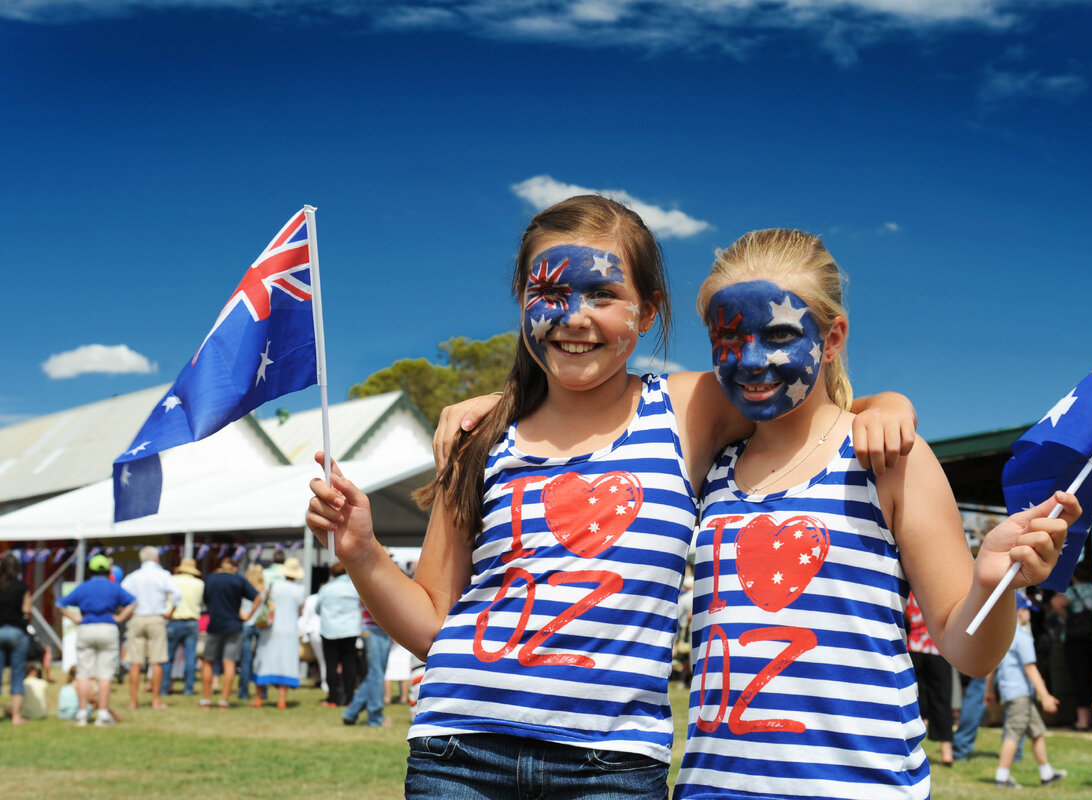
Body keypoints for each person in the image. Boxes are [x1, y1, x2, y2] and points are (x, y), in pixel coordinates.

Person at [307, 197, 925, 798]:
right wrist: (361, 552)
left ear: (649, 311)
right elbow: (433, 624)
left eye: (602, 295)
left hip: (614, 768)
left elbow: (797, 397)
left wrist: (887, 405)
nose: (575, 316)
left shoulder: (689, 410)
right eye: (550, 295)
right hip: (459, 752)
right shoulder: (478, 439)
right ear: (523, 302)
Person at [669, 228, 1076, 799]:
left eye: (780, 333)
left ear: (832, 337)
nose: (752, 359)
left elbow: (970, 652)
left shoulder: (890, 459)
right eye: (728, 338)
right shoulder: (710, 463)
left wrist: (992, 581)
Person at [990, 592, 1068, 788]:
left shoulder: (1001, 635)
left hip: (1011, 691)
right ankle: (1002, 776)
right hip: (1020, 694)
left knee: (1037, 731)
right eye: (1026, 610)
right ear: (1019, 612)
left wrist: (988, 691)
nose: (1029, 615)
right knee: (1013, 733)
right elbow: (1030, 668)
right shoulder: (1022, 637)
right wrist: (1046, 696)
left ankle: (1046, 774)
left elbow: (992, 666)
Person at [56, 554, 137, 726]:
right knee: (105, 674)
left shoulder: (83, 587)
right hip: (108, 629)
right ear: (108, 570)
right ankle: (102, 714)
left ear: (89, 570)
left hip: (86, 628)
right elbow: (133, 602)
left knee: (83, 673)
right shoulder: (113, 587)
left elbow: (60, 604)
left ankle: (82, 713)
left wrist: (75, 618)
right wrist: (121, 617)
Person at [1052, 562, 1092, 731]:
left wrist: (1069, 619)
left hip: (1076, 640)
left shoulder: (1072, 592)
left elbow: (1056, 603)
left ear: (1074, 576)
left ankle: (1083, 720)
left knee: (1080, 679)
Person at [120, 545, 181, 711]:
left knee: (135, 662)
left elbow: (120, 595)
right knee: (156, 661)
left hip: (137, 618)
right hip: (156, 618)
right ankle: (156, 701)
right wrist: (171, 612)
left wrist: (125, 613)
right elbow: (177, 594)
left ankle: (133, 702)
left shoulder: (134, 576)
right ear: (156, 559)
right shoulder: (163, 575)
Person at [199, 556, 261, 709]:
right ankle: (224, 701)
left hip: (215, 624)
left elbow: (206, 601)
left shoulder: (210, 579)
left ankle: (206, 700)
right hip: (234, 624)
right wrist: (249, 615)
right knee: (229, 662)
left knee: (208, 661)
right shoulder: (237, 579)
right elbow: (258, 596)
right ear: (234, 567)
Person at [905, 592, 954, 767]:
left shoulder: (911, 590)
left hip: (915, 646)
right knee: (942, 699)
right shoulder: (940, 589)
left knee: (909, 696)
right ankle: (946, 752)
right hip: (937, 648)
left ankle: (907, 746)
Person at [251, 557, 305, 710]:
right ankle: (282, 700)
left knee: (264, 660)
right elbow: (301, 610)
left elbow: (264, 602)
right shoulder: (300, 590)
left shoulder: (274, 585)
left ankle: (258, 698)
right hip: (289, 630)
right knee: (286, 663)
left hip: (271, 628)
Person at [314, 562, 362, 707]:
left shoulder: (326, 589)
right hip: (350, 630)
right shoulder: (355, 589)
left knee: (331, 664)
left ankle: (333, 698)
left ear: (332, 574)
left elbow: (317, 609)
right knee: (350, 664)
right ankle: (349, 698)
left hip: (330, 631)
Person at [342, 605, 392, 727]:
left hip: (381, 629)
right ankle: (375, 718)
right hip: (374, 629)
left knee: (375, 675)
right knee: (377, 675)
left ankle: (351, 712)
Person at [162, 557, 204, 696]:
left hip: (174, 621)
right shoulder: (199, 583)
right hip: (191, 622)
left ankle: (164, 687)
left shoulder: (172, 580)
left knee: (168, 657)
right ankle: (188, 688)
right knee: (190, 657)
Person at [0, 551, 33, 725]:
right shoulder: (22, 586)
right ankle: (16, 717)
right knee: (17, 674)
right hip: (17, 632)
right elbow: (27, 610)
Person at [238, 563, 266, 701]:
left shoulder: (243, 588)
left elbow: (238, 605)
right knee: (261, 660)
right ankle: (263, 692)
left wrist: (245, 616)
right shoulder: (264, 590)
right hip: (260, 626)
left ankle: (243, 692)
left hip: (246, 624)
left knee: (246, 660)